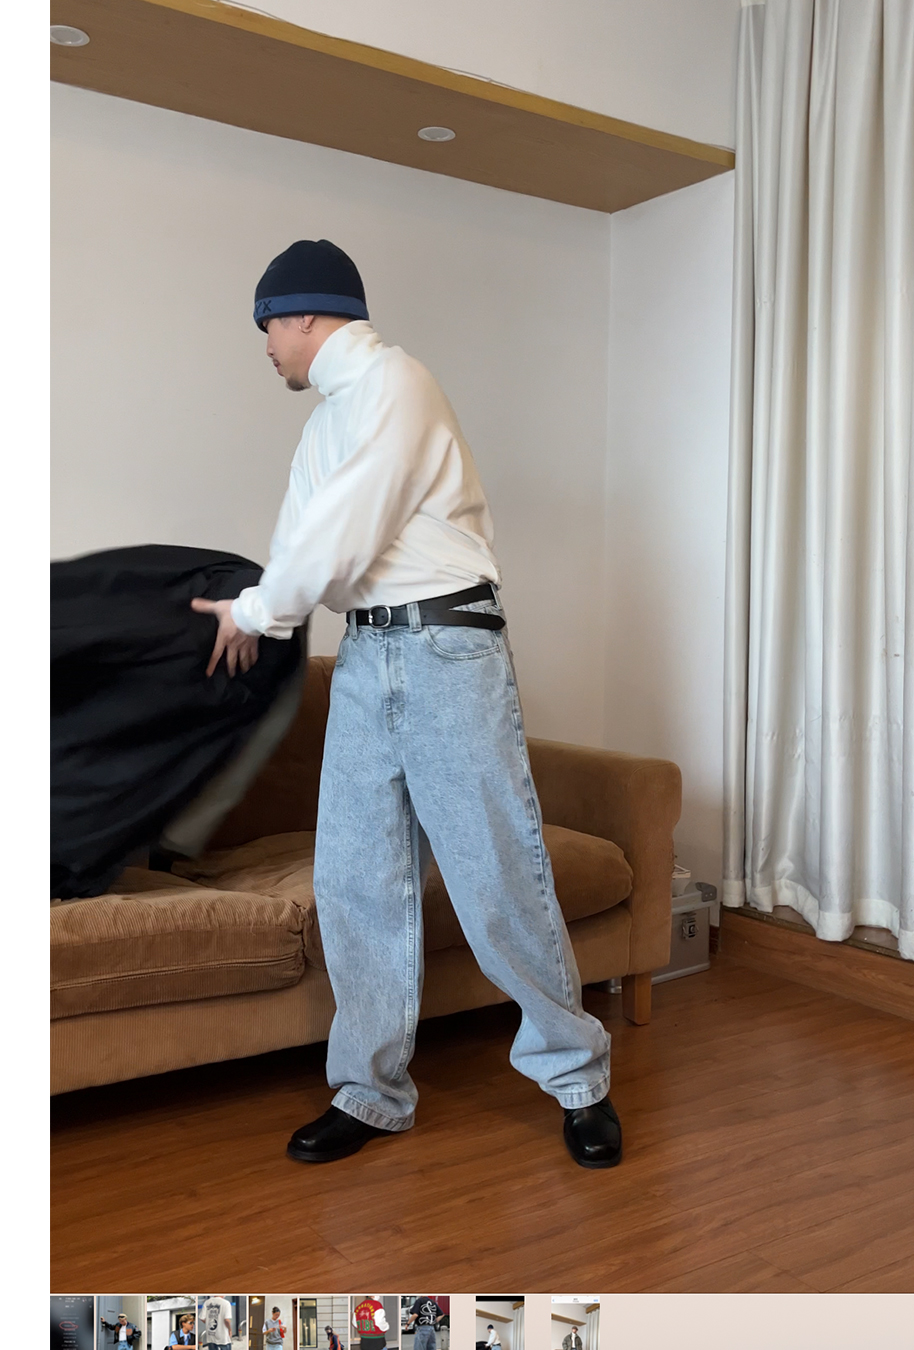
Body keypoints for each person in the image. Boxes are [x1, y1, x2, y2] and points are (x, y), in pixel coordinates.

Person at [193, 237, 622, 1169]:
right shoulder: (322, 427)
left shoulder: (398, 383)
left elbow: (343, 533)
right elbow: (302, 541)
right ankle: (370, 1092)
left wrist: (262, 609)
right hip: (366, 655)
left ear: (304, 315)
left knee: (495, 876)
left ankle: (579, 1080)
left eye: (268, 326)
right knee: (357, 882)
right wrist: (255, 610)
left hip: (446, 651)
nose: (265, 346)